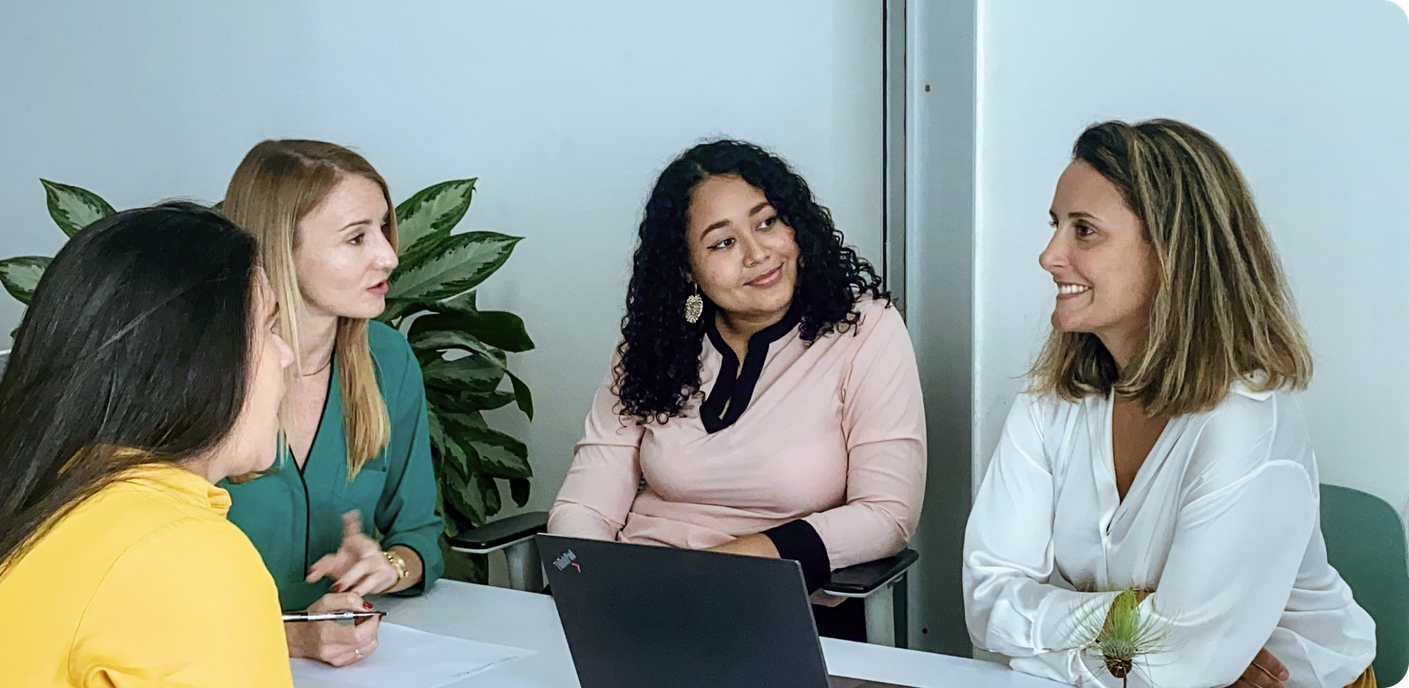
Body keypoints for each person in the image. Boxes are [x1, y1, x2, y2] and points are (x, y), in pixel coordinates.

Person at [962, 119, 1376, 688]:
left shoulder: (1246, 420)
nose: (1048, 256)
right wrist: (1129, 619)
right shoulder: (1049, 401)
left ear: (1172, 252)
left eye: (1084, 231)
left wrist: (1060, 632)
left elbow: (1175, 668)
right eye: (1056, 225)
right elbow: (986, 603)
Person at [0, 203, 299, 687]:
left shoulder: (37, 504)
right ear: (194, 359)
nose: (286, 356)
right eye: (268, 328)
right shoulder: (186, 557)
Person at [548, 139, 927, 640]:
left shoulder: (864, 331)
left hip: (780, 608)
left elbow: (886, 515)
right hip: (637, 605)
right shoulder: (651, 344)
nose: (757, 254)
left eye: (767, 221)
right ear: (688, 268)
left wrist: (711, 573)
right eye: (723, 242)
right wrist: (597, 591)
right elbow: (584, 506)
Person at [221, 140, 444, 667]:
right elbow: (141, 592)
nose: (388, 255)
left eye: (383, 229)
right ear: (280, 248)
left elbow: (420, 535)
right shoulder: (201, 375)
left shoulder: (388, 360)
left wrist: (389, 565)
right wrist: (292, 636)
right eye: (356, 238)